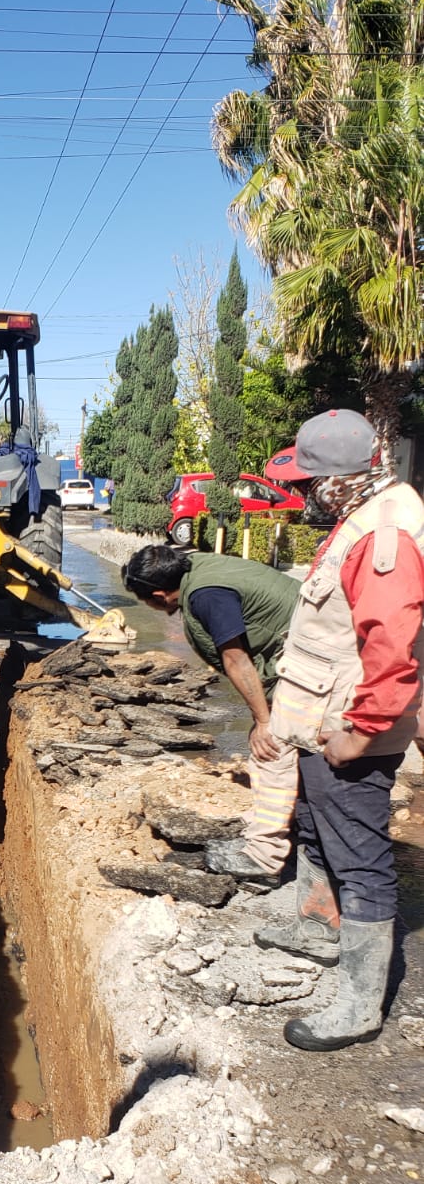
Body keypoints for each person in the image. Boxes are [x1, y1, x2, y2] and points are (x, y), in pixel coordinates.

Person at [255, 408, 424, 1050]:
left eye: (307, 483)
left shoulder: (384, 537)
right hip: (321, 725)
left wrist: (361, 732)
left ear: (337, 478)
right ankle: (317, 925)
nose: (302, 495)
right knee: (317, 829)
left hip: (347, 730)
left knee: (360, 859)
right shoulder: (360, 516)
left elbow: (392, 649)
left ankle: (358, 1005)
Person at [123, 544, 300, 881]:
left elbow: (236, 658)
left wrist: (263, 721)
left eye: (147, 602)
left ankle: (265, 858)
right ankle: (290, 831)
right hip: (313, 645)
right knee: (288, 747)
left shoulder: (206, 596)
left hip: (311, 657)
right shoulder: (196, 567)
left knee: (271, 749)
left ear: (159, 595)